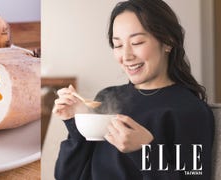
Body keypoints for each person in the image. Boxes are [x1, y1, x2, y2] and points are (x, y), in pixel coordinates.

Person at [52, 0, 215, 179]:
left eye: (137, 42)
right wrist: (75, 124)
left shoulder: (190, 111)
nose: (126, 56)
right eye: (118, 45)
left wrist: (144, 151)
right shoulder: (106, 98)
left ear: (168, 41)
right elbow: (66, 176)